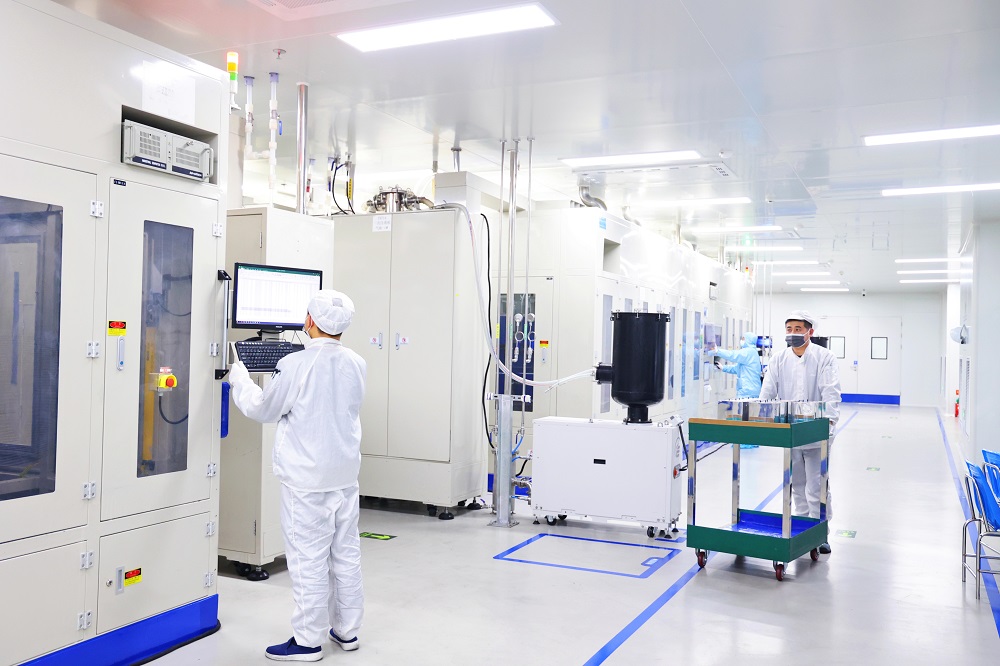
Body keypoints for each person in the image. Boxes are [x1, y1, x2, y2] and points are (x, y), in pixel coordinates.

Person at [229, 290, 367, 662]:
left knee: (308, 560)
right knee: (345, 554)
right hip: (344, 475)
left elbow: (264, 409)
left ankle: (307, 642)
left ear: (309, 322)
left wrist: (239, 379)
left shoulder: (295, 364)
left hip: (307, 481)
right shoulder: (357, 362)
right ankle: (347, 631)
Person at [758, 310, 841, 555]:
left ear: (810, 332)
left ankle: (819, 533)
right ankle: (802, 529)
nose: (792, 334)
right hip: (790, 432)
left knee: (817, 485)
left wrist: (828, 424)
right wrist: (762, 416)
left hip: (816, 433)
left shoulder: (824, 357)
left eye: (797, 329)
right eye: (789, 329)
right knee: (797, 484)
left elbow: (831, 392)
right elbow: (767, 392)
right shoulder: (778, 359)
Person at [708, 331, 763, 399]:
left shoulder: (748, 352)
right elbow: (738, 369)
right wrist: (723, 368)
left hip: (747, 391)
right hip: (751, 390)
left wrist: (718, 351)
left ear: (748, 340)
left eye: (743, 339)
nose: (741, 340)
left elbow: (733, 355)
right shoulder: (753, 352)